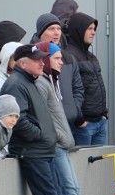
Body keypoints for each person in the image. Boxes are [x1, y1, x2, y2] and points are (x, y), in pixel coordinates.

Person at [0, 44, 101, 195]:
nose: (41, 63)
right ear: (22, 63)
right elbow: (18, 120)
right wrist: (41, 135)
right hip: (33, 151)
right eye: (37, 60)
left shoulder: (30, 81)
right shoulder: (16, 84)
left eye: (42, 59)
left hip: (43, 150)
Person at [34, 41, 115, 195]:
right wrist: (62, 137)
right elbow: (46, 120)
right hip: (57, 146)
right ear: (44, 60)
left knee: (73, 192)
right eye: (57, 58)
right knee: (70, 193)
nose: (63, 62)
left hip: (62, 144)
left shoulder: (53, 81)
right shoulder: (42, 84)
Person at [32, 12, 85, 141]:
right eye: (51, 29)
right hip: (47, 127)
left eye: (59, 28)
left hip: (69, 123)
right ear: (40, 33)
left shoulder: (67, 57)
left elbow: (78, 88)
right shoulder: (31, 57)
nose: (56, 33)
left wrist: (74, 110)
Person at [64, 12, 108, 146]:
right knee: (82, 166)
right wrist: (80, 120)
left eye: (94, 29)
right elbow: (69, 91)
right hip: (83, 125)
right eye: (89, 29)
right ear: (79, 30)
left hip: (100, 121)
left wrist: (104, 114)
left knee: (98, 166)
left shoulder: (90, 56)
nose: (93, 32)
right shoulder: (69, 56)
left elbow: (98, 85)